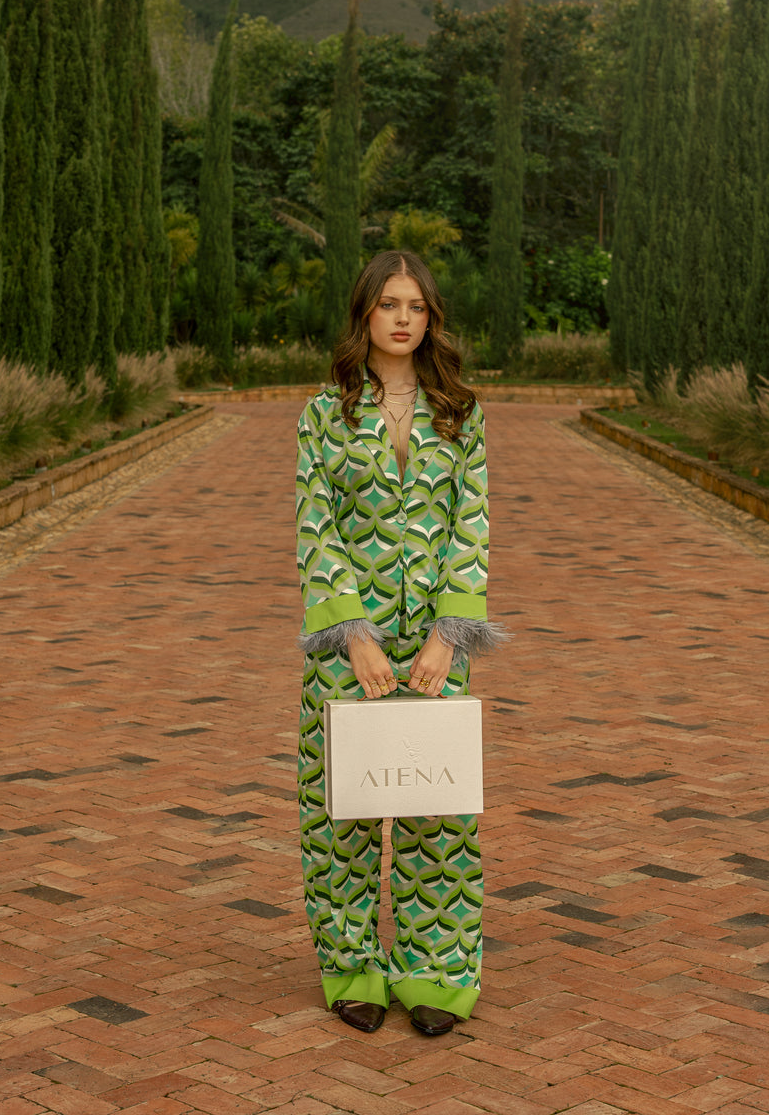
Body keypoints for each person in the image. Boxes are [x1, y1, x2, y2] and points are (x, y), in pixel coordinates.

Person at [295, 249, 503, 1036]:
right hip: (351, 650)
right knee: (342, 812)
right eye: (389, 304)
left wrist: (452, 633)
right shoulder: (325, 415)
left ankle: (435, 974)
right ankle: (352, 966)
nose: (405, 317)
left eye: (416, 304)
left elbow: (471, 526)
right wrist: (353, 632)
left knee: (438, 815)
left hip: (433, 651)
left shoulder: (462, 413)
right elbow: (315, 528)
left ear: (432, 317)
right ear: (365, 315)